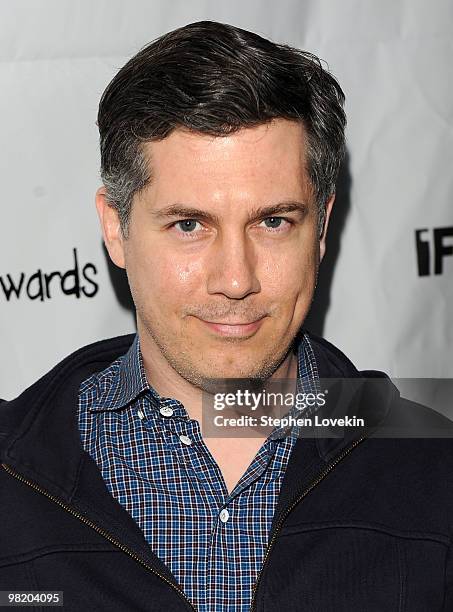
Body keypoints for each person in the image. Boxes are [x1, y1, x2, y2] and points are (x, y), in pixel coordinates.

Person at [1, 20, 452, 612]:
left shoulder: (433, 472)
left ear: (321, 229)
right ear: (116, 228)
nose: (236, 279)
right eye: (189, 226)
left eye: (273, 222)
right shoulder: (14, 478)